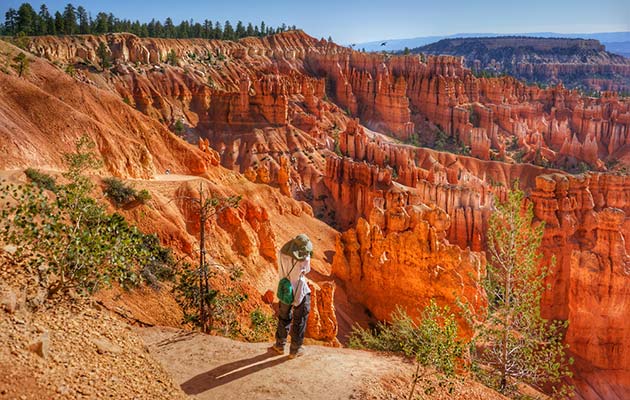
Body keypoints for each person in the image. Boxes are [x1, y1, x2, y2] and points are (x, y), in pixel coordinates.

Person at [271, 234, 312, 358]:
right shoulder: (305, 257)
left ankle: (279, 345)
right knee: (300, 319)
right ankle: (295, 349)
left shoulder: (281, 253)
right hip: (299, 290)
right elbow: (307, 271)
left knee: (283, 317)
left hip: (285, 289)